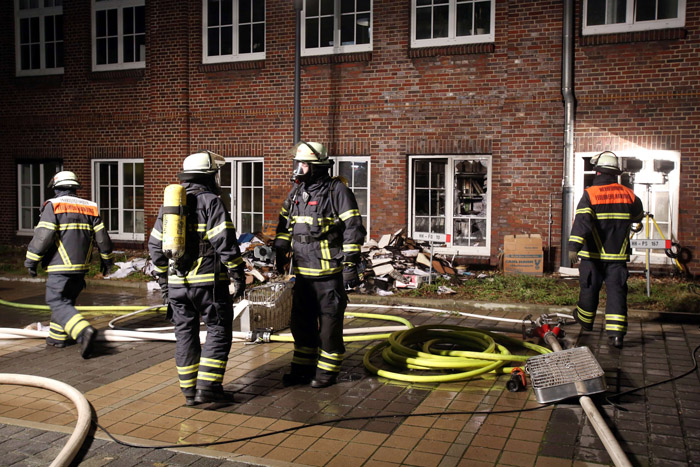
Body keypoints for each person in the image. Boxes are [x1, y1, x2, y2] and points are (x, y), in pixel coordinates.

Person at [148, 151, 246, 406]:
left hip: (177, 285)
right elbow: (224, 242)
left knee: (185, 334)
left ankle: (190, 392)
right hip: (208, 284)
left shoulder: (171, 206)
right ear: (209, 176)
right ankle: (208, 389)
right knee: (218, 330)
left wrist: (164, 282)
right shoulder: (211, 201)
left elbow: (155, 247)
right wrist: (237, 273)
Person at [274, 142, 366, 388]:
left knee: (328, 328)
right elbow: (284, 224)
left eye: (304, 163)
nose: (299, 168)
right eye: (299, 163)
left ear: (316, 166)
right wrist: (281, 248)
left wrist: (349, 266)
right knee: (301, 325)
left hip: (328, 274)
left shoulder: (337, 191)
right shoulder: (296, 193)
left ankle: (327, 372)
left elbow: (353, 230)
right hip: (302, 275)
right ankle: (302, 369)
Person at [24, 171, 114, 359]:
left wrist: (31, 260)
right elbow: (103, 238)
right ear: (74, 187)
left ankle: (83, 331)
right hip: (81, 267)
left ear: (57, 187)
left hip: (60, 265)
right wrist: (106, 260)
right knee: (66, 301)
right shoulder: (91, 208)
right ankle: (58, 338)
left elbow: (43, 236)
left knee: (56, 300)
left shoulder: (53, 206)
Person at [568, 151, 644, 349]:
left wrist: (573, 247)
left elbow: (582, 222)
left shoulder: (590, 194)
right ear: (615, 173)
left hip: (592, 256)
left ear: (598, 172)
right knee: (617, 292)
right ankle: (616, 335)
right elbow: (637, 216)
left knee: (589, 287)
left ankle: (585, 322)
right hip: (617, 256)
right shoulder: (629, 194)